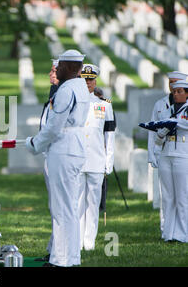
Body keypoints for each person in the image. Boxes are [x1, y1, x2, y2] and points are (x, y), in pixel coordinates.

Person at [25, 49, 90, 267]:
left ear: (71, 68)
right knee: (69, 206)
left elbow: (53, 127)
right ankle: (71, 257)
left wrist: (34, 144)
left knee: (61, 207)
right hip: (75, 147)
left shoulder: (66, 91)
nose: (56, 69)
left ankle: (60, 259)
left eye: (60, 66)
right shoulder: (81, 87)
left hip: (63, 148)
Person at [78, 64, 115, 251]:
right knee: (77, 203)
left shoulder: (104, 104)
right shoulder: (73, 102)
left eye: (91, 79)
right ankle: (77, 240)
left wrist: (109, 162)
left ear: (95, 81)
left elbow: (109, 135)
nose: (87, 83)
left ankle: (89, 242)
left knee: (93, 203)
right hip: (77, 160)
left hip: (96, 160)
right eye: (84, 79)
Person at [148, 71, 187, 235]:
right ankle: (168, 232)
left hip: (183, 154)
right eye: (174, 90)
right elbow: (156, 135)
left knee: (183, 197)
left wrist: (173, 123)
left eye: (179, 91)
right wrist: (161, 133)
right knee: (168, 197)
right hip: (166, 154)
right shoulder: (165, 109)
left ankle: (183, 233)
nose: (175, 93)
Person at [35, 59, 59, 262]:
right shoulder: (54, 95)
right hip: (50, 156)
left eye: (54, 71)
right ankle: (54, 248)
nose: (50, 74)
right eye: (50, 70)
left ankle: (59, 251)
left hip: (60, 156)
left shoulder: (65, 96)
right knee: (53, 205)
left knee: (60, 205)